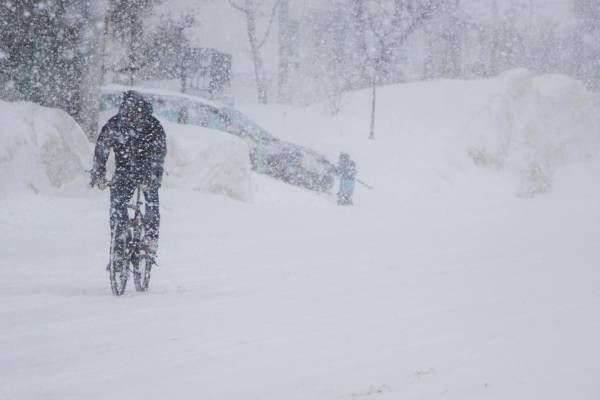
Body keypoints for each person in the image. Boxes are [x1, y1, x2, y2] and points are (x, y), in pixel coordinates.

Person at [89, 90, 167, 269]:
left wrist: (154, 174)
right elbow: (102, 148)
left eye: (133, 110)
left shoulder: (153, 126)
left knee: (151, 204)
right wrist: (98, 171)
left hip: (147, 171)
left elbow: (159, 152)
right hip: (124, 171)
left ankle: (150, 241)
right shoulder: (115, 124)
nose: (129, 113)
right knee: (117, 205)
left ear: (141, 110)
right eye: (126, 109)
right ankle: (119, 244)